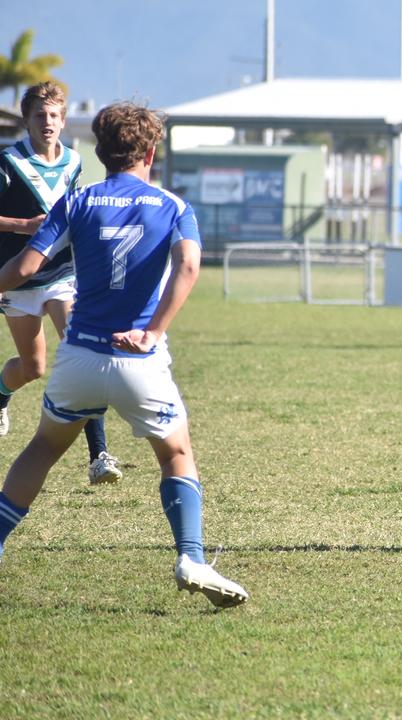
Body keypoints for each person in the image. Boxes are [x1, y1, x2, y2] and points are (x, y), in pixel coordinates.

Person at [0, 102, 248, 606]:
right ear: (151, 151)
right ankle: (190, 557)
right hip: (140, 361)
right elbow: (189, 268)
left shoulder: (78, 201)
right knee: (176, 454)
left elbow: (24, 268)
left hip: (81, 356)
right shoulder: (174, 207)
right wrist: (154, 330)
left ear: (99, 151)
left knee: (44, 449)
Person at [0, 82, 121, 485]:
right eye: (39, 115)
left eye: (54, 115)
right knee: (32, 367)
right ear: (27, 120)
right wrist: (23, 226)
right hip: (17, 275)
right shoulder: (7, 161)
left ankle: (99, 454)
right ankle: (1, 395)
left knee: (82, 353)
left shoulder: (74, 162)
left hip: (64, 276)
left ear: (64, 120)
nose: (47, 122)